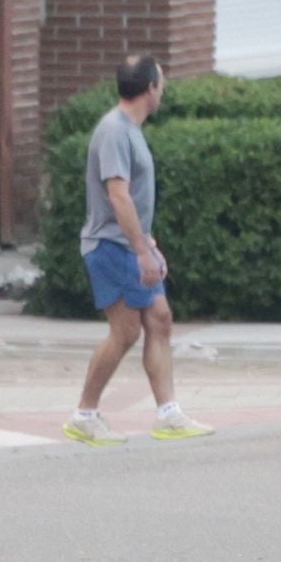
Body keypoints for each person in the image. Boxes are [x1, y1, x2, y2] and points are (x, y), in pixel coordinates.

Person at [65, 55, 212, 446]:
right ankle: (85, 413)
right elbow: (118, 196)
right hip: (111, 247)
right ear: (151, 89)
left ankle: (168, 413)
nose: (162, 89)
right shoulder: (114, 130)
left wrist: (146, 241)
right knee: (126, 331)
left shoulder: (128, 129)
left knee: (160, 318)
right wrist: (141, 251)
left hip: (129, 243)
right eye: (160, 82)